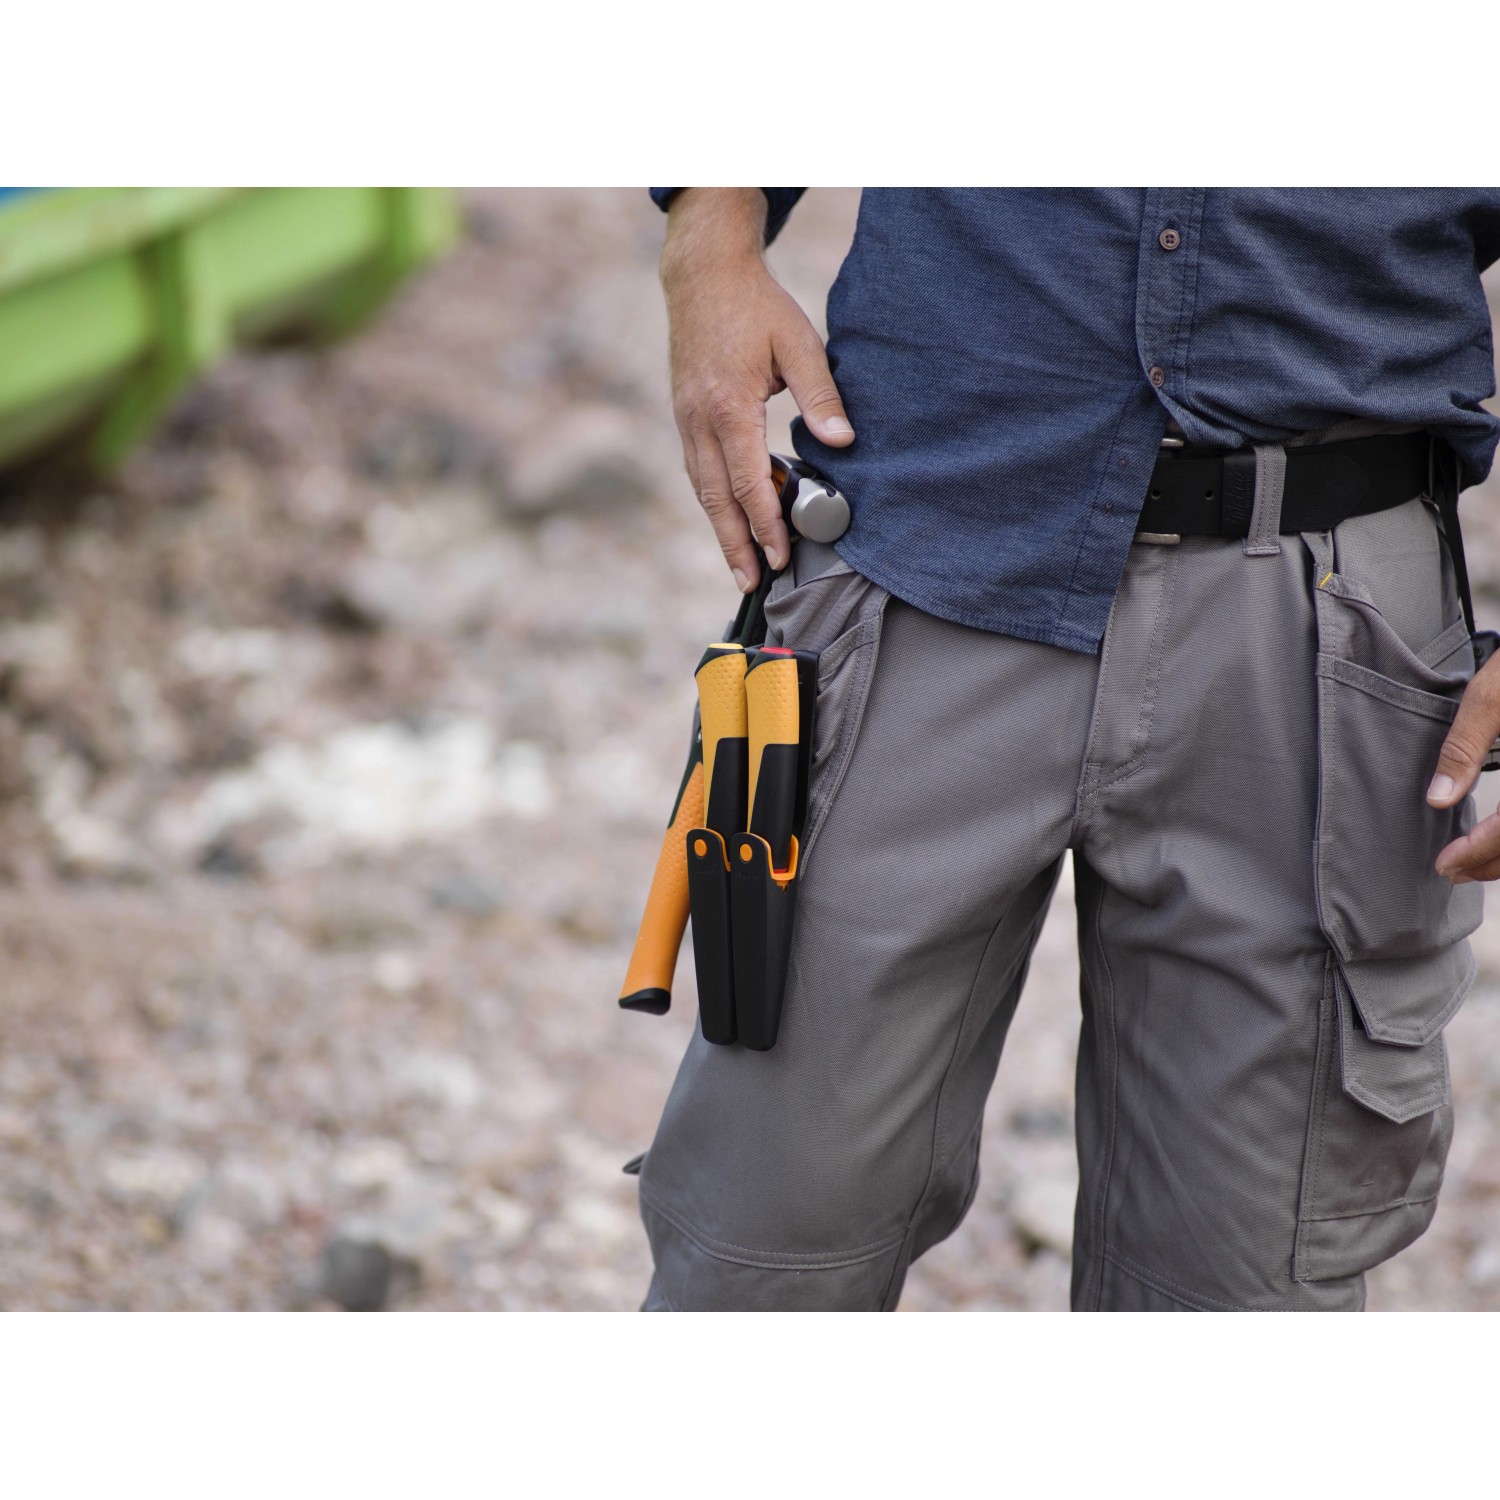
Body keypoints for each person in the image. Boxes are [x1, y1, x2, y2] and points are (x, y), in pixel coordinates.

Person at [635, 188, 1500, 1311]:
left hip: (1331, 630)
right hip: (922, 553)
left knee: (1235, 1303)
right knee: (757, 1255)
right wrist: (708, 238)